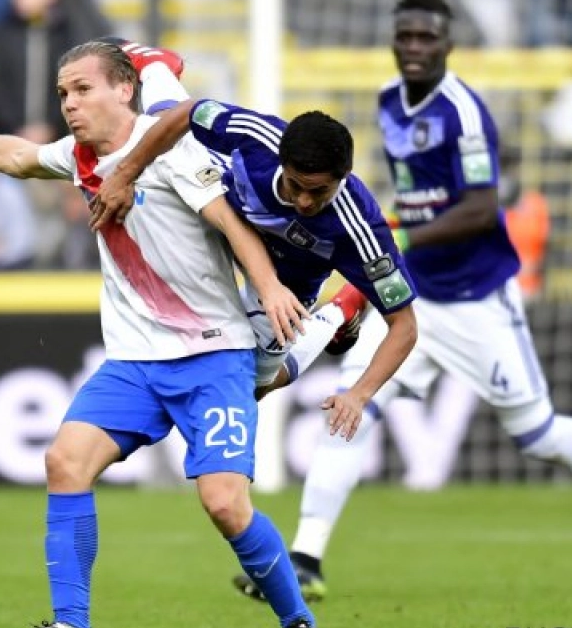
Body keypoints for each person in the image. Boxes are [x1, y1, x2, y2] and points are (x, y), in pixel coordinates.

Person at [236, 0, 572, 605]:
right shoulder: (385, 102)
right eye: (405, 35)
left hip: (477, 298)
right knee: (351, 407)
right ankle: (307, 557)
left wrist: (396, 236)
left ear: (448, 44)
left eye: (427, 37)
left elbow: (481, 210)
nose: (414, 47)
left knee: (539, 435)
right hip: (412, 295)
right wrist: (385, 262)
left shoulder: (466, 114)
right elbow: (406, 199)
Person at [0, 40, 325, 628]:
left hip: (214, 355)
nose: (70, 104)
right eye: (62, 94)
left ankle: (298, 623)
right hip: (135, 360)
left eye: (82, 89)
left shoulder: (172, 149)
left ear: (124, 89)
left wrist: (268, 290)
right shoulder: (79, 156)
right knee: (65, 462)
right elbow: (22, 157)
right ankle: (72, 625)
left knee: (223, 504)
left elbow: (232, 224)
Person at [90, 42, 418, 437]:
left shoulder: (360, 228)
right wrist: (124, 174)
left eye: (319, 192)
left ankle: (340, 310)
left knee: (250, 387)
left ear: (343, 177)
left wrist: (359, 394)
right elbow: (188, 114)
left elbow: (404, 326)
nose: (304, 201)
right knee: (166, 141)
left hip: (285, 284)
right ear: (282, 160)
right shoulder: (256, 136)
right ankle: (157, 67)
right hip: (225, 212)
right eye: (297, 185)